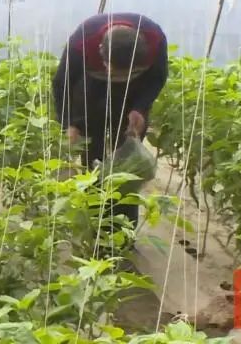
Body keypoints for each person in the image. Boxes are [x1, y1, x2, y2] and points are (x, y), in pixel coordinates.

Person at [52, 12, 168, 228]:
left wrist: (140, 109)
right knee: (92, 154)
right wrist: (70, 122)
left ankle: (123, 228)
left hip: (134, 93)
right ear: (101, 53)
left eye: (127, 72)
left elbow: (157, 78)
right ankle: (95, 221)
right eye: (115, 71)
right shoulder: (83, 40)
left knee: (128, 164)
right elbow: (62, 83)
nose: (119, 78)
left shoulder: (155, 38)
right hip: (92, 88)